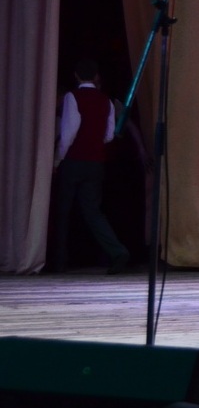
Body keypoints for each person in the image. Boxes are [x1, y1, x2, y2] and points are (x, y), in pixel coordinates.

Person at [50, 58, 130, 274]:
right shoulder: (106, 100)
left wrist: (57, 160)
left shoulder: (72, 97)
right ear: (96, 77)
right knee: (93, 212)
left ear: (76, 76)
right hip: (96, 163)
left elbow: (68, 133)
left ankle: (60, 260)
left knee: (63, 210)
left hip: (73, 160)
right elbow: (109, 136)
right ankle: (117, 251)